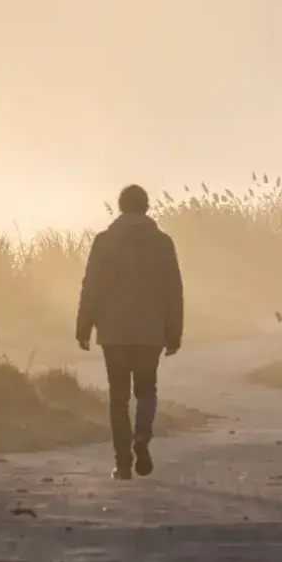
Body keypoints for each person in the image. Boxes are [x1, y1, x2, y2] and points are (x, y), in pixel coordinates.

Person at [76, 184, 184, 480]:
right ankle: (142, 438)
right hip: (150, 332)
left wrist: (83, 326)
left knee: (118, 397)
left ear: (121, 207)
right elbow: (174, 290)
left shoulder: (104, 241)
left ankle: (123, 462)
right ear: (147, 207)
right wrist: (174, 332)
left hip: (113, 332)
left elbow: (92, 286)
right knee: (147, 390)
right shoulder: (162, 243)